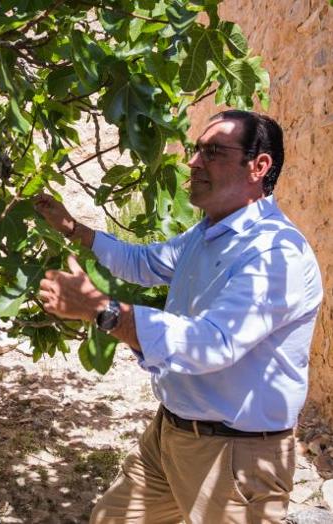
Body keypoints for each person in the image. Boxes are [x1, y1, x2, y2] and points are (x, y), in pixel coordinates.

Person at [34, 110, 323, 523]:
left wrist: (102, 310)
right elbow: (143, 262)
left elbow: (212, 344)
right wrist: (73, 228)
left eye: (213, 152)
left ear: (259, 167)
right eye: (197, 150)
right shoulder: (207, 233)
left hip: (233, 456)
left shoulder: (277, 254)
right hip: (170, 435)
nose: (194, 162)